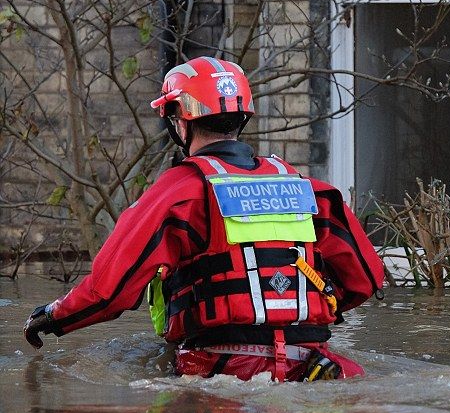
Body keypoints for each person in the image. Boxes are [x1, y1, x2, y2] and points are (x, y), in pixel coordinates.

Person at [24, 56, 384, 382]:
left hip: (219, 369)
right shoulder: (308, 189)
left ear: (179, 120)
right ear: (243, 117)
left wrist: (54, 317)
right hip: (313, 367)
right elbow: (366, 279)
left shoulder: (179, 191)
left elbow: (109, 291)